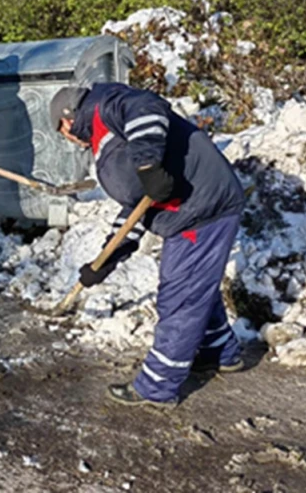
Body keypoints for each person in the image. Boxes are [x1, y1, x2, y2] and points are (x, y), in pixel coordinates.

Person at [50, 82, 245, 407]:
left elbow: (146, 106)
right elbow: (137, 205)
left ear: (67, 120)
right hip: (193, 208)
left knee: (179, 296)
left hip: (201, 208)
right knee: (196, 287)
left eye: (62, 132)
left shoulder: (105, 106)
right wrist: (107, 258)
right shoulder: (105, 138)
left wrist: (148, 166)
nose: (69, 140)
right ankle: (220, 351)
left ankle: (157, 386)